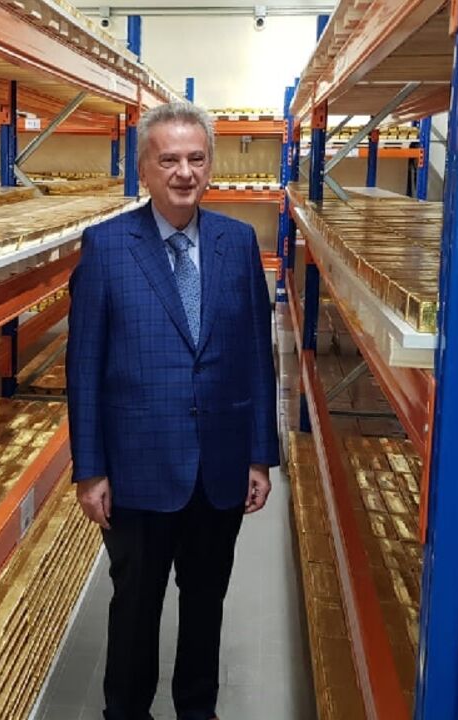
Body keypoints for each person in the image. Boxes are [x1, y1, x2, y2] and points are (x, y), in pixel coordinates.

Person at [66, 101, 280, 720]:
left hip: (218, 466)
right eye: (169, 160)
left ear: (209, 165)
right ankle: (126, 711)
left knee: (206, 600)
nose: (184, 172)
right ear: (145, 169)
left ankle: (197, 709)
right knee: (135, 605)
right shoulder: (106, 248)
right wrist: (90, 470)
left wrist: (260, 456)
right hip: (137, 471)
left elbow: (255, 357)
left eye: (195, 158)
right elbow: (83, 367)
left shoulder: (236, 243)